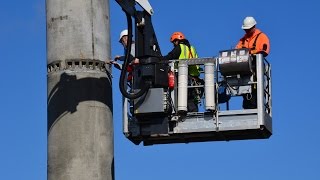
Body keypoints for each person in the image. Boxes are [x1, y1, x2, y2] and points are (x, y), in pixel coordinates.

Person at [235, 16, 270, 109]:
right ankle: (247, 106)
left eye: (248, 29)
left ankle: (255, 106)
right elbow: (236, 51)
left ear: (254, 27)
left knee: (255, 92)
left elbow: (264, 51)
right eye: (245, 29)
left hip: (256, 67)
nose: (246, 31)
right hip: (244, 68)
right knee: (245, 93)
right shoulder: (242, 40)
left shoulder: (261, 37)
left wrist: (249, 52)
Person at [162, 32, 202, 112]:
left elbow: (171, 56)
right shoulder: (192, 48)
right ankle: (194, 114)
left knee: (182, 98)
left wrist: (159, 59)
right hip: (194, 79)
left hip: (183, 78)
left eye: (174, 42)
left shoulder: (180, 47)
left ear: (176, 41)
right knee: (191, 100)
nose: (174, 44)